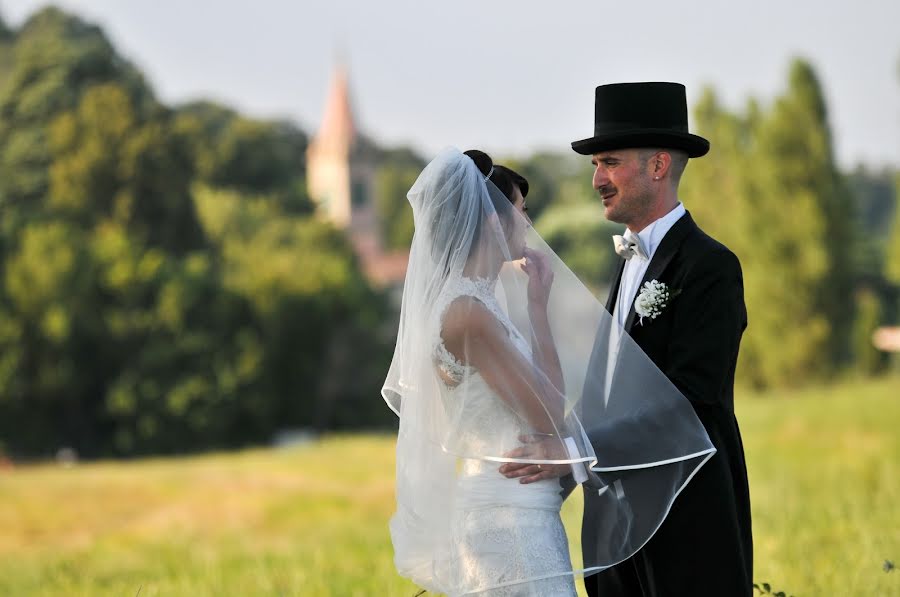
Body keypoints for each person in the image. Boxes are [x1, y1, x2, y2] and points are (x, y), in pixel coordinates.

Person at [383, 146, 715, 596]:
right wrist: (538, 310)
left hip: (522, 506)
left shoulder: (480, 301)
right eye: (521, 212)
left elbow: (543, 404)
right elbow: (549, 413)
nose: (528, 224)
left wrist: (535, 305)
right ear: (492, 221)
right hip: (509, 515)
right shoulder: (468, 312)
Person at [571, 82, 754, 595]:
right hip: (616, 539)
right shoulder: (626, 264)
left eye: (608, 162)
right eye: (595, 165)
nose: (597, 179)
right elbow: (605, 392)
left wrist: (578, 449)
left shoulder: (710, 267)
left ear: (657, 165)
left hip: (685, 532)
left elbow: (691, 401)